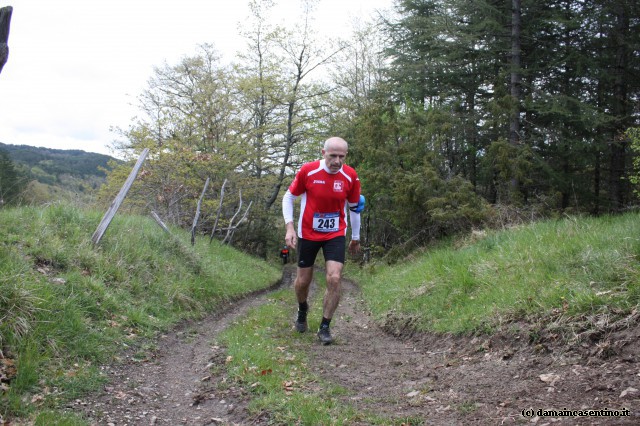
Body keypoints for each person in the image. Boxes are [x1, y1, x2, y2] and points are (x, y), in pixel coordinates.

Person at [282, 136, 362, 345]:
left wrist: (355, 237)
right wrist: (290, 227)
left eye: (341, 157)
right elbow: (288, 197)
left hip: (335, 233)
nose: (336, 161)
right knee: (302, 281)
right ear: (323, 152)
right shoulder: (308, 171)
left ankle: (325, 326)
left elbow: (354, 208)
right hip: (308, 232)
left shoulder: (350, 176)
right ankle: (302, 309)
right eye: (332, 156)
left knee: (334, 278)